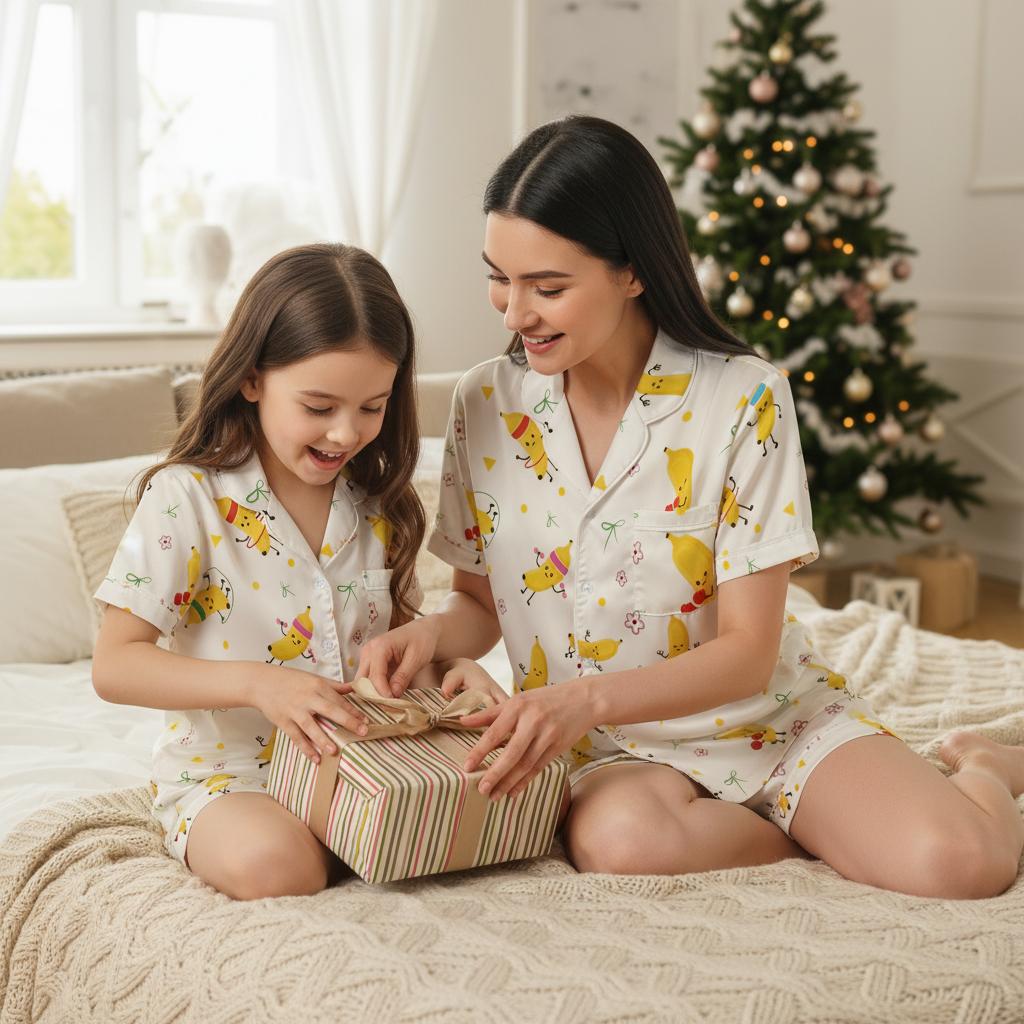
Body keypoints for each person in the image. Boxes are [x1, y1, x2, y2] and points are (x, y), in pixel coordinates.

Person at [359, 116, 1024, 899]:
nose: (512, 314)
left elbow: (747, 648)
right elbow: (481, 602)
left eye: (548, 287)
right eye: (498, 277)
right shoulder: (484, 402)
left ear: (633, 271)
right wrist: (428, 634)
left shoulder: (743, 397)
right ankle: (809, 830)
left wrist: (580, 697)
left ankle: (979, 761)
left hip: (767, 722)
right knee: (619, 845)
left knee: (962, 867)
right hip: (611, 752)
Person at [92, 243, 507, 900]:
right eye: (319, 407)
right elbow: (115, 666)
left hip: (364, 768)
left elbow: (395, 655)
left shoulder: (378, 506)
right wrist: (262, 685)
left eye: (372, 407)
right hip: (231, 778)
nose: (345, 433)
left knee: (504, 822)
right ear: (252, 379)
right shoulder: (186, 500)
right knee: (280, 868)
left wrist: (449, 678)